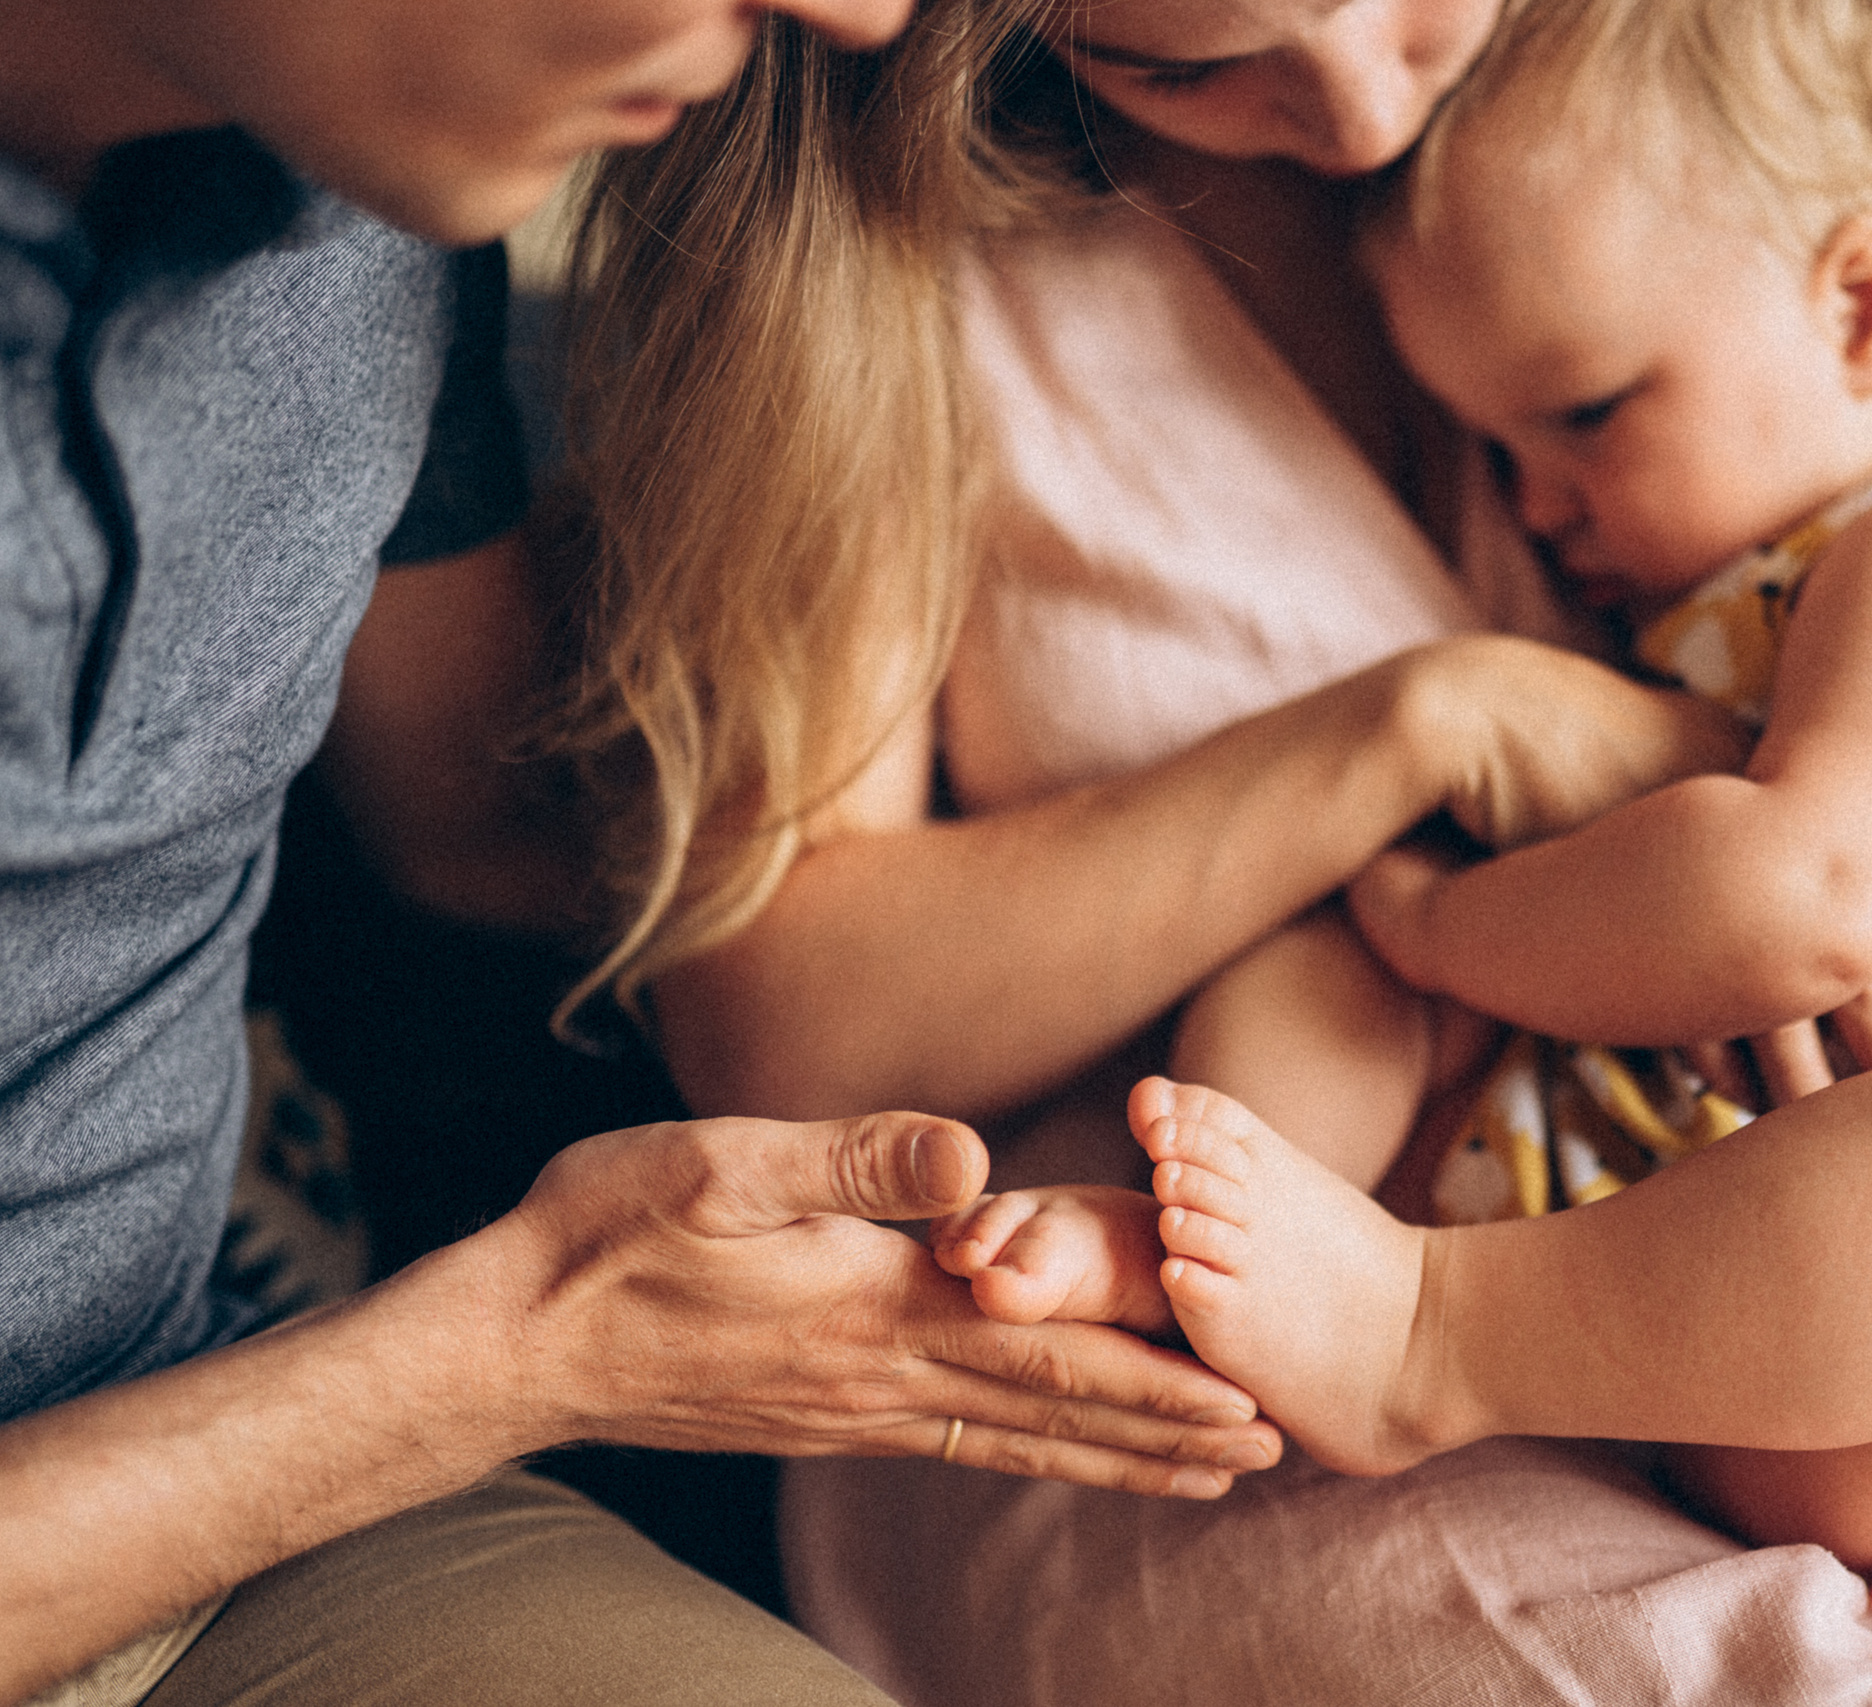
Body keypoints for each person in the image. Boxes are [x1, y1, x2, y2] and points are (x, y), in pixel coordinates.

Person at [602, 0, 1872, 1698]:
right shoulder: (877, 251)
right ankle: (1326, 1301)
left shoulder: (1698, 111)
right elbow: (772, 1024)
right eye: (1187, 56)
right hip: (1226, 1274)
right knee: (1337, 961)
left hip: (1790, 1265)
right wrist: (1418, 732)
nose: (1368, 112)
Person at [924, 0, 1872, 1577]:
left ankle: (1426, 1340)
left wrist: (1440, 924)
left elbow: (1804, 902)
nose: (1539, 505)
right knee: (1311, 968)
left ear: (1869, 311)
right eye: (1495, 446)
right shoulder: (1708, 576)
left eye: (1586, 417)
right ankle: (1190, 1249)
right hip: (1650, 1226)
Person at [0, 1, 1296, 1701]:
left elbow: (493, 830)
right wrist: (522, 1348)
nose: (860, 15)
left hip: (241, 1489)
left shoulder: (360, 194)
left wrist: (1360, 901)